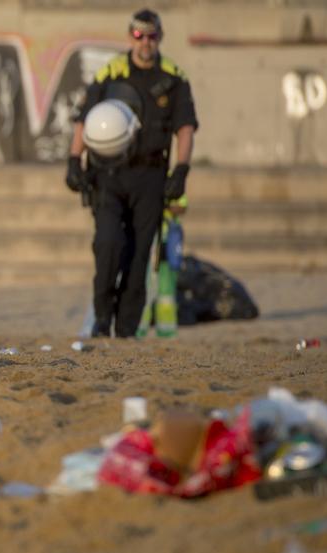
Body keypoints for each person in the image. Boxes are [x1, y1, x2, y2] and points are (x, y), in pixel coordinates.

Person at [65, 8, 197, 338]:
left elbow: (185, 128)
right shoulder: (112, 73)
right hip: (108, 175)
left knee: (139, 256)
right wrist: (73, 160)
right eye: (139, 36)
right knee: (109, 245)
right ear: (130, 37)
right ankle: (101, 318)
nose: (145, 43)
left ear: (160, 38)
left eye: (152, 36)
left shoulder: (174, 78)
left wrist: (181, 168)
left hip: (151, 177)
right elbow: (84, 118)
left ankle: (125, 331)